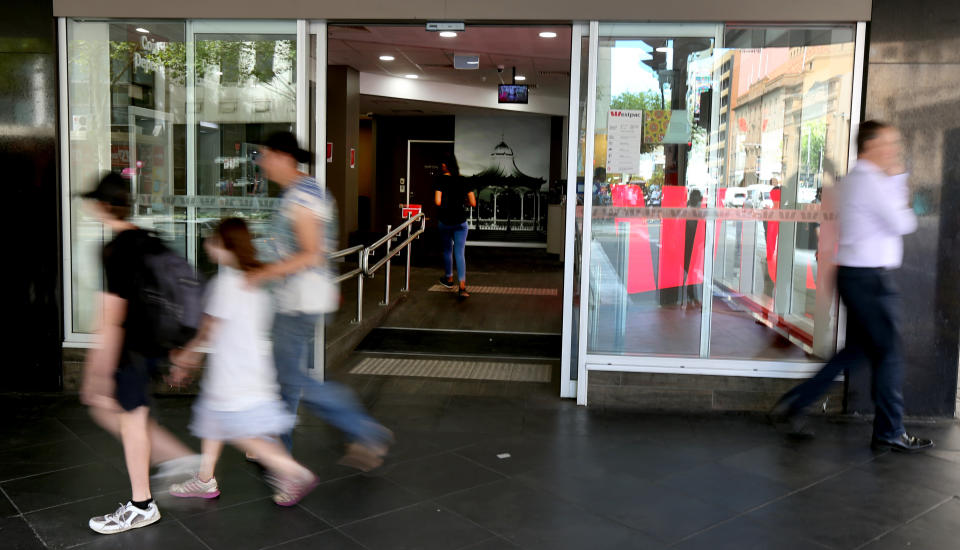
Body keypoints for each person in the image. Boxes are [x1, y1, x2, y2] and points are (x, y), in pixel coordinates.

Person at [770, 121, 933, 453]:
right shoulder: (870, 183)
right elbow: (903, 221)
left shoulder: (860, 180)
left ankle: (796, 403)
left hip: (860, 277)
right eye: (888, 143)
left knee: (855, 352)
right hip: (869, 281)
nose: (894, 150)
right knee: (889, 355)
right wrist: (900, 178)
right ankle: (890, 430)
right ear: (870, 146)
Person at [248, 131, 392, 470]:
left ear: (282, 156)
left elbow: (311, 254)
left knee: (296, 381)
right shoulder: (302, 192)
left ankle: (365, 430)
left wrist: (263, 273)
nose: (261, 163)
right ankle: (278, 448)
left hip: (299, 300)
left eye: (264, 155)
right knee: (287, 377)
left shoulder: (302, 196)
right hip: (296, 298)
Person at [167, 218, 318, 505]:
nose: (207, 244)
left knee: (242, 431)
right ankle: (204, 479)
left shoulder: (227, 283)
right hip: (249, 369)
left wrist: (184, 357)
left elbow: (208, 330)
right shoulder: (256, 282)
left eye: (212, 239)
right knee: (214, 422)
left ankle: (294, 472)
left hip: (232, 374)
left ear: (225, 246)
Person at [80, 173, 199, 535]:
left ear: (103, 206)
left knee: (126, 418)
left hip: (129, 351)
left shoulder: (116, 249)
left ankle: (142, 504)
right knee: (133, 416)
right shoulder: (148, 240)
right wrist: (180, 351)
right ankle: (180, 461)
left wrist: (97, 370)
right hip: (153, 348)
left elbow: (112, 317)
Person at [434, 152, 477, 298]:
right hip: (460, 222)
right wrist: (461, 202)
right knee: (460, 252)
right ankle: (463, 287)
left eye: (443, 164)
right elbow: (473, 203)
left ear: (445, 165)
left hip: (445, 221)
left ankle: (449, 278)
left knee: (447, 250)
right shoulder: (464, 180)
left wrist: (447, 203)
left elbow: (437, 202)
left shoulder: (441, 180)